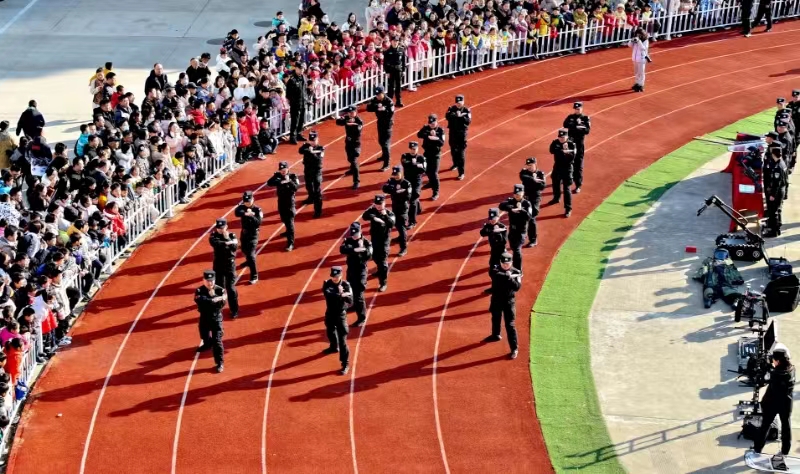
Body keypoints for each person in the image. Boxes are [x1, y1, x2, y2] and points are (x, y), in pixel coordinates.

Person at [752, 343, 794, 463]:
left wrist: (766, 372)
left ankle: (757, 449)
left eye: (774, 360)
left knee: (765, 426)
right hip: (786, 403)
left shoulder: (776, 374)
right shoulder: (791, 369)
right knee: (786, 426)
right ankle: (785, 451)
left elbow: (764, 381)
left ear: (779, 361)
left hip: (773, 403)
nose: (773, 362)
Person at [484, 252, 522, 360]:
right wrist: (508, 276)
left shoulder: (516, 272)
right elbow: (495, 276)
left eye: (508, 264)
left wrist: (511, 278)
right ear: (500, 262)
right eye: (503, 263)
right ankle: (495, 335)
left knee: (510, 325)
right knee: (495, 317)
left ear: (511, 262)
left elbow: (517, 287)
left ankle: (514, 349)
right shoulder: (496, 269)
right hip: (496, 299)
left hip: (509, 301)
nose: (505, 265)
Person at [339, 222, 372, 327]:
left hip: (361, 271)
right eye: (352, 234)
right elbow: (342, 249)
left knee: (359, 295)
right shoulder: (348, 240)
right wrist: (356, 249)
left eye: (356, 233)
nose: (353, 236)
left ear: (360, 231)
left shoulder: (366, 242)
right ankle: (354, 305)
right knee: (350, 290)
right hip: (351, 269)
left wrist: (362, 249)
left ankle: (362, 318)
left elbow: (368, 255)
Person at [322, 266, 353, 375]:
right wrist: (341, 294)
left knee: (343, 340)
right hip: (330, 313)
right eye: (333, 276)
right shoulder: (327, 283)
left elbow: (350, 301)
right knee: (330, 331)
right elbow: (327, 295)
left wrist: (343, 295)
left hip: (340, 315)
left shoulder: (346, 285)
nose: (334, 278)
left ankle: (345, 364)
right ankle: (333, 347)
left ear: (341, 275)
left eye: (337, 276)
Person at [362, 195, 396, 292]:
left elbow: (391, 224)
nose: (378, 206)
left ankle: (383, 282)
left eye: (380, 204)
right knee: (375, 257)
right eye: (377, 204)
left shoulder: (389, 213)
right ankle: (379, 271)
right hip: (374, 239)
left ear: (384, 203)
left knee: (382, 262)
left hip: (384, 241)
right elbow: (364, 216)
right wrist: (374, 217)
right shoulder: (372, 210)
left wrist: (384, 216)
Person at [194, 270, 227, 373]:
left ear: (214, 280)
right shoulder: (199, 290)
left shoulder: (220, 290)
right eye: (207, 281)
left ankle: (219, 363)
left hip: (216, 319)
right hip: (204, 317)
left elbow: (221, 305)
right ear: (203, 280)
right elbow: (199, 300)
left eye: (212, 280)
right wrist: (213, 299)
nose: (210, 283)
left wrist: (213, 298)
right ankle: (207, 344)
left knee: (217, 342)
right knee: (203, 334)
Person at [208, 218, 239, 319]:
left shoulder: (232, 235)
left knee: (231, 289)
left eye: (222, 228)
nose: (220, 230)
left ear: (226, 227)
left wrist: (228, 240)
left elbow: (234, 248)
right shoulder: (213, 235)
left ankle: (234, 310)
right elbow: (216, 244)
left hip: (230, 265)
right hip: (218, 265)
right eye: (218, 228)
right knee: (219, 288)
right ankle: (218, 308)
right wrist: (227, 242)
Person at [267, 161, 300, 251]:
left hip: (290, 202)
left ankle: (290, 243)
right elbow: (269, 183)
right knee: (283, 218)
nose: (283, 171)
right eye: (281, 170)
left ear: (288, 169)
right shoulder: (277, 176)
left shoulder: (293, 176)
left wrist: (289, 181)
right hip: (281, 201)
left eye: (284, 169)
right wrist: (280, 182)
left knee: (290, 223)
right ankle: (287, 231)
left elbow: (296, 188)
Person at [499, 184, 533, 273]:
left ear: (523, 193)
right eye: (515, 193)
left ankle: (518, 270)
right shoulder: (511, 201)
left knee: (517, 250)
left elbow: (529, 217)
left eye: (519, 193)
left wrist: (521, 210)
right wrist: (511, 208)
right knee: (513, 247)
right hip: (512, 230)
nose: (517, 195)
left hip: (521, 231)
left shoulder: (526, 203)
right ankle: (513, 264)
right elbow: (502, 206)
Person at [382, 165, 412, 257]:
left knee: (401, 226)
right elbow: (385, 189)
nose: (396, 176)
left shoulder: (406, 184)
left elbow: (408, 197)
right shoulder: (391, 181)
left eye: (397, 174)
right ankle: (400, 237)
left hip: (403, 207)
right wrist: (395, 190)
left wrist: (395, 191)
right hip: (394, 205)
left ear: (401, 173)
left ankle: (403, 248)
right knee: (397, 224)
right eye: (394, 174)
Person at [234, 191, 263, 284]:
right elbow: (237, 212)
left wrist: (251, 215)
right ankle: (248, 262)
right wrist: (245, 213)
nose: (247, 203)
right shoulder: (242, 207)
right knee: (243, 249)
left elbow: (258, 222)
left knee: (251, 255)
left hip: (253, 235)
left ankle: (254, 275)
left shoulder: (257, 210)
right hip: (244, 233)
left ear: (253, 200)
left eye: (249, 201)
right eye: (245, 201)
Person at [563, 101, 591, 193]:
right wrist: (577, 125)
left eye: (578, 109)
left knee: (578, 165)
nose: (577, 110)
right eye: (575, 109)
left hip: (579, 144)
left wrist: (576, 127)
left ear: (582, 109)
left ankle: (578, 185)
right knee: (567, 162)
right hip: (570, 143)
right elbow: (565, 124)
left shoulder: (585, 118)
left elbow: (587, 131)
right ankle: (567, 178)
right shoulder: (570, 117)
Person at [548, 129, 577, 217]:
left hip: (567, 168)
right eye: (560, 137)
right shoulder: (555, 142)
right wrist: (562, 151)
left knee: (566, 188)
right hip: (557, 167)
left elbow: (572, 158)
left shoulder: (572, 144)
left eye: (563, 137)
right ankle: (556, 198)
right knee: (555, 183)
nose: (561, 138)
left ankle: (568, 208)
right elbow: (551, 150)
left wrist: (566, 150)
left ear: (567, 137)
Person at [366, 86, 395, 171]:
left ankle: (387, 163)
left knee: (385, 143)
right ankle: (384, 155)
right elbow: (368, 108)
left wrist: (384, 109)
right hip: (380, 122)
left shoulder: (389, 101)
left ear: (383, 93)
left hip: (387, 123)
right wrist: (377, 107)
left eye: (379, 94)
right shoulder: (375, 100)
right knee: (380, 140)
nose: (377, 96)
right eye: (376, 95)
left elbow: (390, 113)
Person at [417, 114, 446, 201]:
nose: (431, 125)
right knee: (426, 170)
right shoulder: (426, 128)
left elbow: (442, 143)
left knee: (434, 173)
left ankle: (436, 191)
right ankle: (430, 182)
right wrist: (427, 135)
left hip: (435, 154)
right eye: (430, 123)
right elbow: (419, 135)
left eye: (433, 123)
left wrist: (436, 138)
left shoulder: (441, 130)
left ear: (437, 121)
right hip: (427, 152)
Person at [520, 158, 547, 248]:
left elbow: (542, 186)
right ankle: (524, 235)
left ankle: (533, 240)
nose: (529, 167)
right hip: (525, 198)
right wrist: (534, 180)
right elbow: (523, 177)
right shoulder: (524, 172)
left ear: (535, 164)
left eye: (531, 165)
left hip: (534, 198)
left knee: (531, 218)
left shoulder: (540, 174)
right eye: (528, 165)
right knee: (523, 217)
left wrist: (532, 181)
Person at [480, 208, 508, 294]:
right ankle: (495, 286)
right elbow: (482, 233)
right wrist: (488, 229)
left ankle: (499, 288)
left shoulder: (502, 228)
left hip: (501, 253)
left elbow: (504, 241)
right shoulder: (488, 226)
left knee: (498, 271)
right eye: (491, 219)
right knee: (492, 272)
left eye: (494, 218)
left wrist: (498, 233)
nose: (492, 220)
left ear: (498, 218)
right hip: (494, 252)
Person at [336, 106, 364, 190]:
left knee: (354, 160)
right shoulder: (347, 118)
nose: (350, 114)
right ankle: (352, 169)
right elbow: (338, 122)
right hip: (348, 142)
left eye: (352, 113)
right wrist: (345, 121)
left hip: (356, 144)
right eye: (349, 113)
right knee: (349, 158)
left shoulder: (359, 121)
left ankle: (356, 181)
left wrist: (352, 124)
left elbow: (358, 130)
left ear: (356, 112)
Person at [445, 95, 472, 180]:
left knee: (461, 153)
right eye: (457, 102)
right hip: (453, 133)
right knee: (453, 150)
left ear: (463, 102)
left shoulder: (466, 110)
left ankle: (461, 173)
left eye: (460, 103)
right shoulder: (452, 108)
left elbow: (468, 121)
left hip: (461, 134)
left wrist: (462, 117)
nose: (458, 104)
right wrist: (455, 115)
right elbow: (447, 117)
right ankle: (455, 164)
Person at [763, 147, 788, 237]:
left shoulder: (778, 167)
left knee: (774, 211)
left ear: (773, 154)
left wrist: (773, 195)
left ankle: (774, 231)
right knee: (777, 209)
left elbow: (777, 183)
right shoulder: (782, 163)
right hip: (782, 189)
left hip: (777, 191)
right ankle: (778, 225)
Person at [300, 130, 325, 218]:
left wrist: (312, 152)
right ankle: (310, 198)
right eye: (311, 140)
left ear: (317, 140)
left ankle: (318, 211)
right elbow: (300, 151)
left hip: (316, 171)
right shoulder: (306, 146)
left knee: (317, 191)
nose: (312, 142)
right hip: (308, 169)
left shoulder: (321, 148)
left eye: (314, 141)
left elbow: (318, 159)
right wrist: (306, 146)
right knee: (308, 186)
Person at [401, 142, 427, 227]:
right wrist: (416, 165)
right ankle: (418, 209)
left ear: (417, 149)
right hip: (407, 181)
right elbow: (405, 164)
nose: (413, 150)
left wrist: (412, 165)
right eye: (411, 149)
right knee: (410, 198)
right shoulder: (404, 156)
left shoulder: (421, 158)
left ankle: (412, 221)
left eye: (414, 149)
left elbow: (423, 170)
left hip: (416, 181)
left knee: (412, 201)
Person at [286, 64, 309, 144]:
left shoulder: (303, 78)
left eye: (302, 69)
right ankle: (292, 136)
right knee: (295, 121)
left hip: (303, 102)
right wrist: (294, 102)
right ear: (296, 68)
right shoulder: (292, 80)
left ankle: (299, 134)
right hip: (295, 104)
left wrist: (306, 100)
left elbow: (305, 90)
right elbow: (288, 94)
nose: (301, 70)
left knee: (301, 120)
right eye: (300, 68)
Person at [384, 36, 406, 107]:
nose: (395, 42)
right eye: (394, 41)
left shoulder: (401, 50)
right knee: (391, 86)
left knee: (398, 86)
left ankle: (398, 101)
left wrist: (403, 70)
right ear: (391, 41)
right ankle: (389, 102)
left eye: (396, 41)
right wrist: (387, 72)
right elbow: (385, 63)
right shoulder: (387, 51)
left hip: (398, 70)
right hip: (391, 70)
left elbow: (403, 61)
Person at [630, 28, 650, 92]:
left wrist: (639, 41)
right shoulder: (635, 39)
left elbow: (643, 48)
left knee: (641, 72)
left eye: (639, 34)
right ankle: (637, 83)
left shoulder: (645, 40)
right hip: (635, 58)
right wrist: (632, 40)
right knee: (636, 72)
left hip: (641, 59)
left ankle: (641, 85)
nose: (638, 36)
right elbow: (629, 45)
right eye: (637, 34)